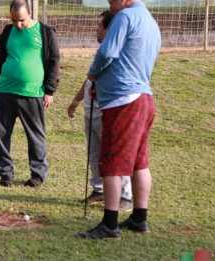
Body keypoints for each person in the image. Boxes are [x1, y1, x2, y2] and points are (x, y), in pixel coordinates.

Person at [77, 0, 161, 239]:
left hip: (123, 102)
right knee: (139, 161)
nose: (109, 3)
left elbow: (107, 53)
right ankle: (139, 218)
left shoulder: (124, 17)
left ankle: (110, 225)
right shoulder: (151, 22)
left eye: (112, 0)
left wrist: (92, 77)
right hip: (143, 98)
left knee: (112, 162)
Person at [0, 0, 60, 187]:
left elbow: (54, 61)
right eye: (13, 20)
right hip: (4, 91)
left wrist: (49, 90)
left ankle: (38, 174)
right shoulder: (7, 32)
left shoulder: (45, 32)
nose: (17, 25)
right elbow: (0, 60)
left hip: (32, 93)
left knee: (35, 135)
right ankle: (6, 173)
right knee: (1, 135)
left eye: (21, 20)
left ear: (29, 12)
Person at [67, 11, 133, 212]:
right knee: (94, 156)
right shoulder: (101, 52)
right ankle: (98, 191)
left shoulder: (113, 54)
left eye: (99, 25)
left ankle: (125, 197)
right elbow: (89, 80)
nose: (96, 29)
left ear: (109, 29)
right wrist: (77, 100)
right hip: (90, 116)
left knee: (115, 157)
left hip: (107, 116)